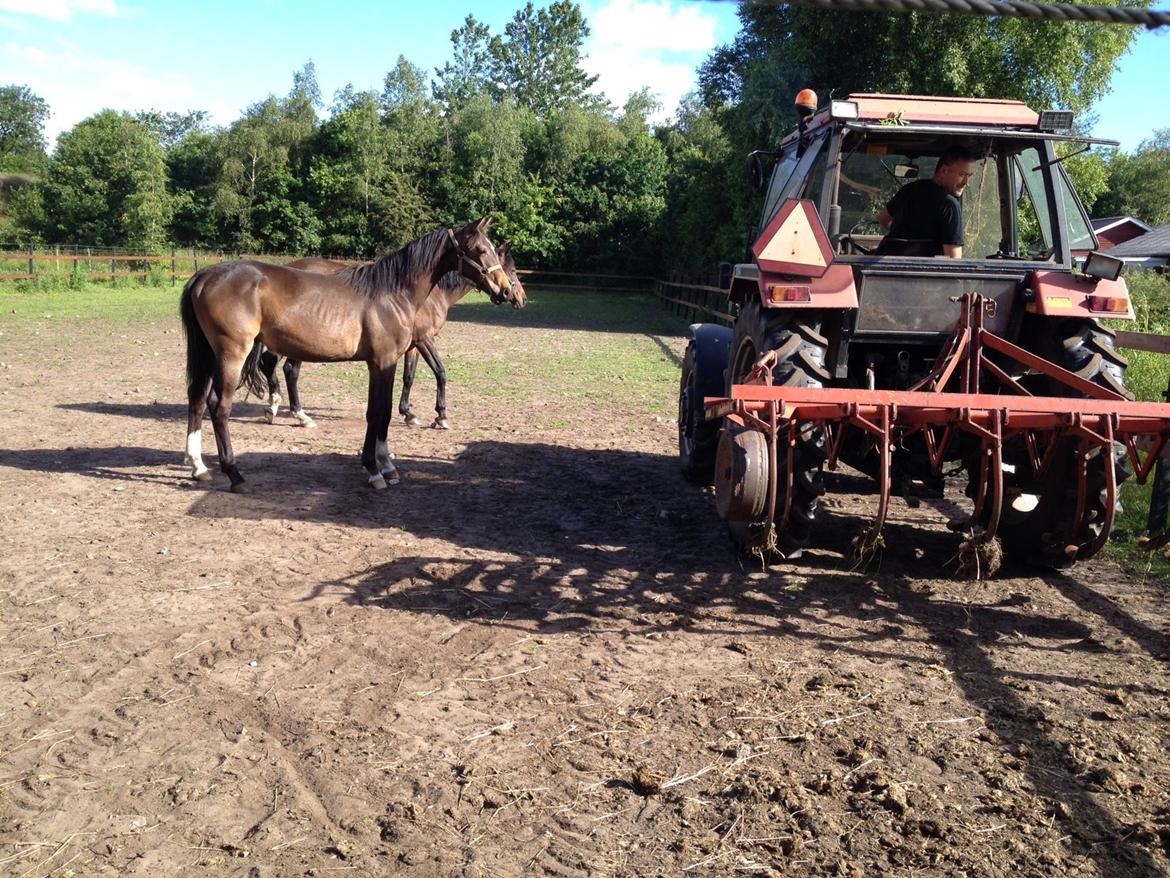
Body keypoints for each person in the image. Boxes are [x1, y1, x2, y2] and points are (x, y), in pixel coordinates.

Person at [875, 145, 976, 258]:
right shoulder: (949, 205)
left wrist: (901, 241)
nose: (966, 182)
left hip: (889, 267)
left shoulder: (908, 190)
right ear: (944, 171)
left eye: (969, 176)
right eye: (962, 175)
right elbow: (953, 259)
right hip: (925, 269)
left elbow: (882, 218)